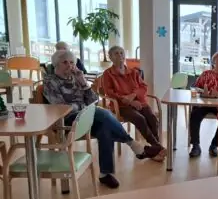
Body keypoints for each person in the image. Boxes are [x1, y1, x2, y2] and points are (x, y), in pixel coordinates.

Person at [43, 50, 159, 189]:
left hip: (85, 118)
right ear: (56, 64)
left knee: (105, 128)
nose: (70, 65)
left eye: (72, 62)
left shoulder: (76, 78)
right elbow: (61, 107)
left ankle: (105, 174)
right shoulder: (50, 81)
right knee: (103, 114)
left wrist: (83, 82)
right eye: (65, 62)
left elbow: (93, 100)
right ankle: (133, 144)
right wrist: (83, 108)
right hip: (66, 121)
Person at [102, 45, 165, 161]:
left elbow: (143, 87)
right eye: (116, 53)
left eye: (121, 53)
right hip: (121, 105)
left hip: (139, 102)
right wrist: (128, 101)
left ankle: (155, 149)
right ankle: (158, 147)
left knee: (151, 117)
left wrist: (133, 96)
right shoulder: (107, 74)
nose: (120, 55)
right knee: (140, 118)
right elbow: (109, 92)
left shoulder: (133, 72)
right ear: (110, 57)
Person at [189, 51, 218, 158]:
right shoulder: (206, 74)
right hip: (205, 104)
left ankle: (214, 145)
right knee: (195, 114)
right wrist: (203, 92)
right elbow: (195, 87)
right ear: (214, 61)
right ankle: (195, 146)